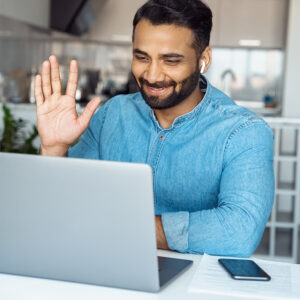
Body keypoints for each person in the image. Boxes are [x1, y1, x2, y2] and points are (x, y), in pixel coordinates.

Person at [34, 0, 274, 257]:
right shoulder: (112, 115)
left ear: (203, 59)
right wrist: (54, 148)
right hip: (106, 265)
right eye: (141, 57)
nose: (152, 75)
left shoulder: (243, 132)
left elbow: (239, 231)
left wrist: (125, 228)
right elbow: (63, 205)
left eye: (171, 60)